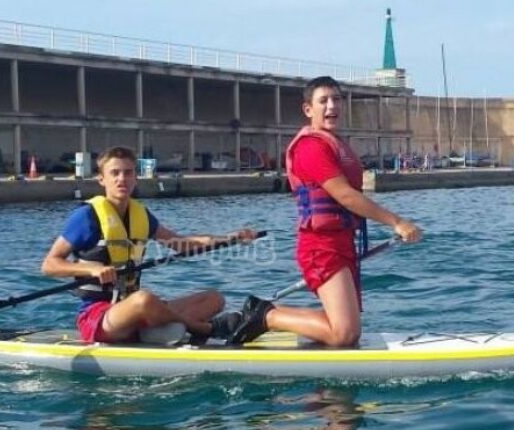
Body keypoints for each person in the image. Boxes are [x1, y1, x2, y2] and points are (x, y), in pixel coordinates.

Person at [228, 76, 423, 348]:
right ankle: (266, 315)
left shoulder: (332, 143)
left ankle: (274, 318)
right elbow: (345, 195)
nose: (332, 106)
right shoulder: (310, 147)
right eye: (323, 101)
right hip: (320, 247)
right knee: (344, 335)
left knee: (349, 332)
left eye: (337, 99)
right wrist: (397, 222)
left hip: (341, 243)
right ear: (308, 109)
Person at [41, 146, 256, 345]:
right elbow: (50, 264)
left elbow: (183, 244)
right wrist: (92, 269)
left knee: (213, 299)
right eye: (114, 173)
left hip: (136, 309)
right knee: (144, 299)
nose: (121, 179)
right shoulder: (85, 217)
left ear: (136, 177)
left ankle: (157, 328)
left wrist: (231, 238)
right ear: (101, 179)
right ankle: (204, 329)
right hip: (100, 317)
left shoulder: (141, 215)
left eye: (128, 173)